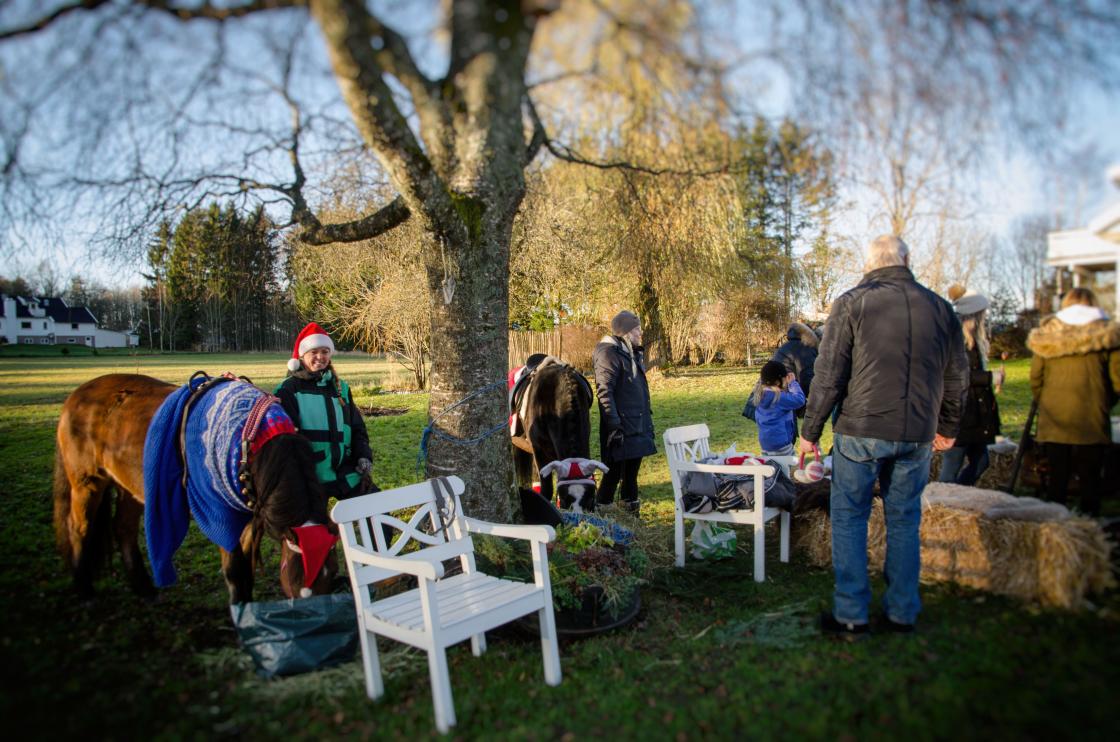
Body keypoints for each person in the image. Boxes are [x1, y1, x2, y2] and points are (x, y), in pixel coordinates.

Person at [799, 235, 967, 638]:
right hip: (917, 432)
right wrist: (948, 426)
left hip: (862, 429)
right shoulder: (941, 308)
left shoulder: (852, 302)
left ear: (869, 264)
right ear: (907, 259)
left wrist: (810, 432)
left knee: (850, 517)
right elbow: (957, 376)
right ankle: (901, 613)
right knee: (905, 519)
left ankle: (852, 615)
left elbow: (829, 374)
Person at [1027, 288, 1120, 516]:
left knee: (1057, 479)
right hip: (1091, 418)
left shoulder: (1048, 336)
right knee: (1090, 479)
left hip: (1054, 419)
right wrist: (1103, 403)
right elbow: (1117, 380)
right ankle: (1089, 534)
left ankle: (1057, 532)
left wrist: (1046, 402)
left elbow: (1036, 378)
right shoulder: (1107, 334)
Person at [275, 322, 376, 500]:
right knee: (319, 527)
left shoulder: (340, 388)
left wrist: (363, 456)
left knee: (378, 510)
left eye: (325, 352)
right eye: (314, 352)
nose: (320, 357)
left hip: (344, 472)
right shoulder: (288, 390)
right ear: (302, 356)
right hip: (310, 478)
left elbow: (357, 428)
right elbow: (286, 441)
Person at [593, 310, 656, 513]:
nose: (641, 332)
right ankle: (604, 517)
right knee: (612, 476)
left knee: (631, 476)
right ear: (626, 332)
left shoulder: (629, 352)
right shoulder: (608, 353)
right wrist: (613, 426)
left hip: (636, 424)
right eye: (637, 329)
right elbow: (604, 392)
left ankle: (631, 520)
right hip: (620, 427)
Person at [938, 290, 1001, 486]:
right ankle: (940, 504)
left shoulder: (973, 343)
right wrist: (991, 377)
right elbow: (957, 376)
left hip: (976, 414)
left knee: (982, 462)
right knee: (951, 466)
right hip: (959, 414)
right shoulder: (955, 340)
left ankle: (957, 498)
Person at [752, 360, 806, 457]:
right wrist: (793, 383)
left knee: (771, 467)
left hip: (766, 444)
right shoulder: (778, 398)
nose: (786, 382)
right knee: (787, 467)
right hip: (781, 444)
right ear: (777, 382)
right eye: (785, 379)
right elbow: (800, 400)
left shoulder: (760, 395)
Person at [771, 322, 819, 416]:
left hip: (773, 393)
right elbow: (806, 377)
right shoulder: (804, 348)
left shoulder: (785, 347)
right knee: (789, 428)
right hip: (788, 394)